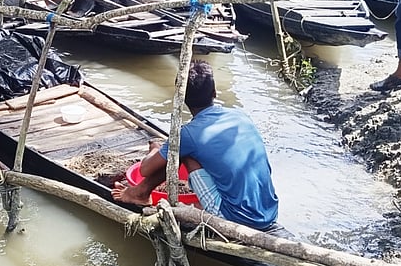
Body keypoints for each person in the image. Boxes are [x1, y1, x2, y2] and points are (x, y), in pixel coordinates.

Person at [112, 60, 279, 231]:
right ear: (214, 92)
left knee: (182, 151)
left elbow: (145, 170)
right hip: (269, 211)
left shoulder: (188, 134)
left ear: (181, 98)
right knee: (196, 151)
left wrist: (155, 150)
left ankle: (139, 193)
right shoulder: (240, 116)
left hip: (236, 220)